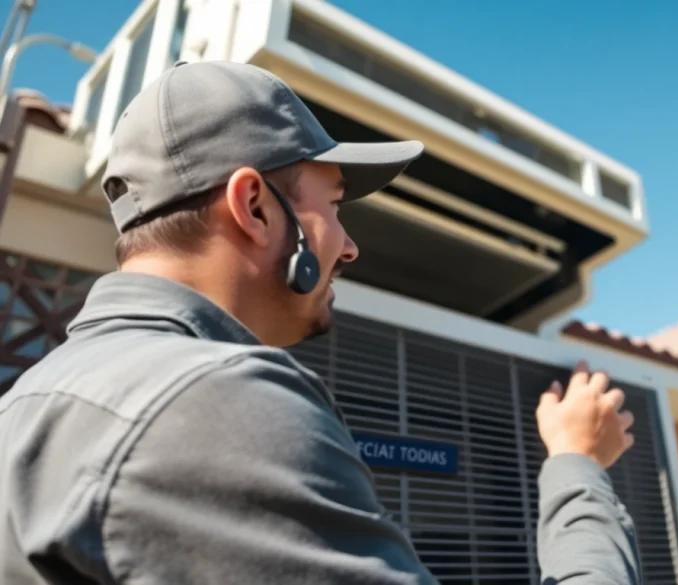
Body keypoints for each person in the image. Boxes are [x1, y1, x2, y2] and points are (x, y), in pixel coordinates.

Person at [0, 61, 640, 585]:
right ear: (254, 206)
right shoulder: (213, 400)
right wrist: (577, 464)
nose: (351, 246)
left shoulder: (24, 407)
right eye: (333, 206)